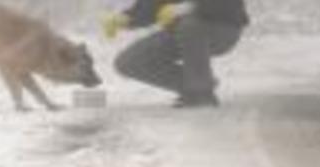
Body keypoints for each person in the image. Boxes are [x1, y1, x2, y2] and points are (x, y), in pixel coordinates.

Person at [103, 0, 249, 107]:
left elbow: (228, 6)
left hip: (222, 29)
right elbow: (152, 5)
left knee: (189, 26)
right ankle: (193, 87)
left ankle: (202, 92)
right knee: (128, 62)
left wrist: (189, 7)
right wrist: (126, 19)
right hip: (182, 30)